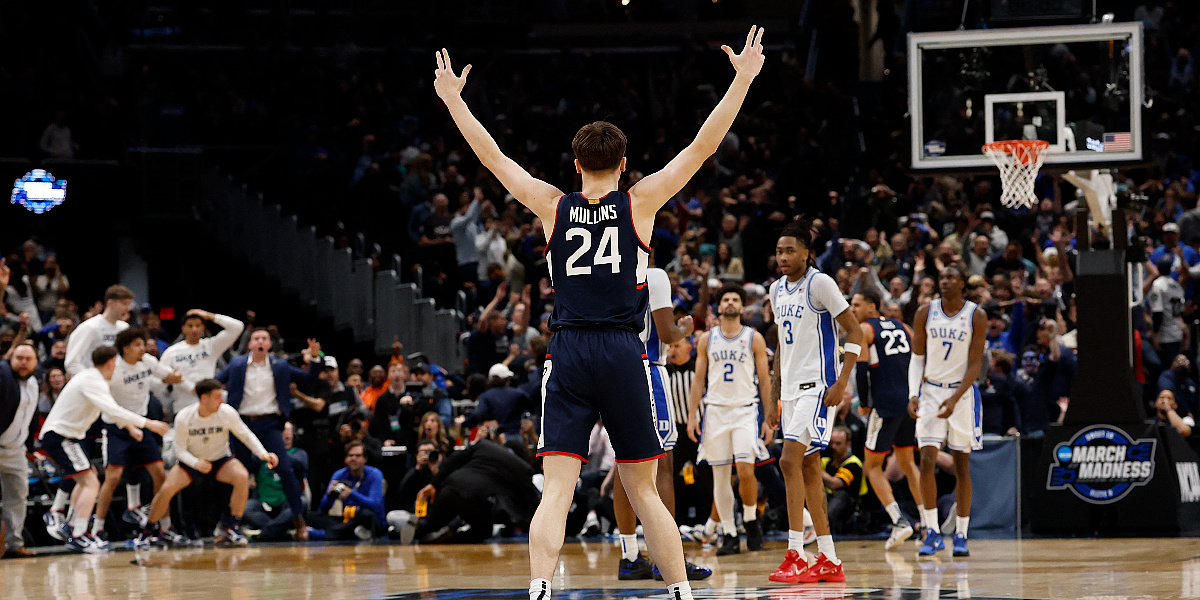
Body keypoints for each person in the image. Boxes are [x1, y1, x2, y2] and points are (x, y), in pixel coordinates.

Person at [434, 24, 764, 600]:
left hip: (567, 351)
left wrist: (453, 100)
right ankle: (681, 592)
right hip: (621, 350)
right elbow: (702, 147)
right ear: (624, 162)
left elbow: (491, 157)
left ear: (576, 163)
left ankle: (540, 587)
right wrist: (741, 80)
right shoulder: (641, 203)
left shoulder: (551, 204)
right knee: (643, 490)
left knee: (558, 489)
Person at [765, 220, 863, 584]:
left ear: (807, 253)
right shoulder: (776, 290)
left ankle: (795, 554)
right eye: (779, 251)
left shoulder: (820, 283)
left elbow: (855, 331)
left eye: (790, 251)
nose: (783, 257)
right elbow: (781, 346)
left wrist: (842, 381)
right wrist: (773, 396)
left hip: (817, 388)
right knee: (807, 469)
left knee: (788, 461)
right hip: (790, 391)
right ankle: (829, 559)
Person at [612, 267, 705, 581]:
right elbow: (666, 334)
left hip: (613, 373)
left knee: (623, 464)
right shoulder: (654, 275)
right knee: (663, 464)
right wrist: (685, 328)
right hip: (647, 369)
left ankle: (629, 556)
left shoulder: (609, 272)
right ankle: (667, 558)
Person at [39, 346, 170, 552]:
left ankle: (71, 525)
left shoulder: (91, 379)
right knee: (90, 483)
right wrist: (149, 424)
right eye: (116, 364)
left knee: (87, 477)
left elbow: (110, 411)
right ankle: (78, 534)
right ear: (110, 363)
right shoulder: (93, 380)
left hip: (66, 436)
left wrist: (130, 427)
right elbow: (113, 410)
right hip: (61, 436)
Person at [138, 379, 278, 547]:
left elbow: (245, 434)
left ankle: (231, 527)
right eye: (217, 397)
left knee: (242, 476)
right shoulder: (184, 417)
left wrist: (263, 453)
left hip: (220, 459)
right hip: (191, 461)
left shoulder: (227, 412)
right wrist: (196, 463)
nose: (222, 400)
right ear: (204, 398)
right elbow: (179, 451)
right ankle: (147, 532)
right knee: (166, 489)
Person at [686, 284, 770, 556]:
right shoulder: (706, 339)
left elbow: (765, 380)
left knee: (745, 471)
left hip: (745, 410)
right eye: (726, 299)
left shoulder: (754, 338)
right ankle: (730, 534)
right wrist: (692, 415)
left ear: (742, 307)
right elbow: (698, 380)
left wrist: (769, 417)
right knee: (720, 477)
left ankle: (750, 518)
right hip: (715, 412)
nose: (731, 303)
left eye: (735, 299)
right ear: (719, 307)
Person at [908, 265, 986, 557]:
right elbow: (917, 358)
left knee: (961, 465)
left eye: (952, 277)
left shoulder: (976, 315)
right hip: (930, 391)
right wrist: (913, 393)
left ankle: (962, 534)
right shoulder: (924, 312)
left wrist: (954, 398)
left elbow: (975, 364)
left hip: (961, 395)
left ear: (963, 283)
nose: (945, 281)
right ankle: (932, 532)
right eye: (942, 277)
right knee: (926, 460)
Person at [216, 328, 322, 540]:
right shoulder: (237, 364)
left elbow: (310, 378)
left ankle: (299, 519)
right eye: (256, 338)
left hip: (269, 423)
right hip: (241, 424)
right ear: (250, 344)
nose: (260, 342)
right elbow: (215, 381)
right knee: (237, 473)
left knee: (285, 469)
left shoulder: (280, 365)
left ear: (270, 344)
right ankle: (227, 524)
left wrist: (315, 357)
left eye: (264, 338)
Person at [91, 327, 184, 542]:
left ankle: (165, 527)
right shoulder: (114, 368)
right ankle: (96, 529)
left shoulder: (148, 361)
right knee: (113, 478)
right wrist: (129, 426)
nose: (143, 348)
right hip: (117, 427)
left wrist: (176, 377)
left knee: (160, 474)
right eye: (137, 345)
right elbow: (108, 406)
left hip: (142, 425)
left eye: (143, 344)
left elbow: (167, 377)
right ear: (125, 348)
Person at [850, 289, 926, 551]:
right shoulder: (903, 326)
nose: (852, 309)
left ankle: (899, 521)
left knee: (872, 466)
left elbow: (861, 370)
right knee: (907, 462)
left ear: (872, 306)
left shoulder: (864, 329)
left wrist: (864, 403)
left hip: (885, 404)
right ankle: (929, 523)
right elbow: (919, 361)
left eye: (857, 304)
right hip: (909, 402)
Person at [415, 435, 540, 544]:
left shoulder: (484, 445)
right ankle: (446, 542)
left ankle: (416, 532)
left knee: (430, 524)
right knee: (484, 530)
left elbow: (454, 460)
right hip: (474, 499)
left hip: (451, 488)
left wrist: (434, 484)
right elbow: (532, 506)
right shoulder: (523, 469)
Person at [159, 309, 245, 417]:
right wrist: (167, 379)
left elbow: (238, 327)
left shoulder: (211, 346)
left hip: (210, 407)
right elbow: (158, 378)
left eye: (198, 325)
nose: (194, 329)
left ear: (203, 328)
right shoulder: (171, 352)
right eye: (190, 326)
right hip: (183, 408)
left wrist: (209, 315)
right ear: (183, 328)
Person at [0, 343, 39, 557]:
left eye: (28, 359)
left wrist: (30, 447)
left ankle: (14, 544)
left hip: (16, 450)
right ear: (10, 359)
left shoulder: (33, 383)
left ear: (36, 362)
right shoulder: (3, 376)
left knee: (18, 496)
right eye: (19, 358)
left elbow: (31, 416)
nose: (23, 363)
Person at [244, 422, 309, 541]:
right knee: (246, 508)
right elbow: (248, 465)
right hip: (263, 503)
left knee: (301, 503)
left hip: (286, 504)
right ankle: (280, 531)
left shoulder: (299, 453)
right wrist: (251, 475)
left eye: (287, 437)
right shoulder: (263, 455)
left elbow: (302, 465)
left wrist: (278, 452)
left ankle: (265, 533)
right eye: (281, 434)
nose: (284, 438)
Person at [308, 441, 386, 540]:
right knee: (311, 516)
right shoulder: (339, 474)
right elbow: (323, 509)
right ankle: (352, 533)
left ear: (365, 459)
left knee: (365, 514)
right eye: (350, 455)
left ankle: (318, 534)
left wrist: (351, 494)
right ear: (346, 459)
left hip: (370, 520)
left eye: (358, 456)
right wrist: (330, 495)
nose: (353, 459)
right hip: (347, 518)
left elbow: (376, 505)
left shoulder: (374, 474)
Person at [64, 285, 134, 376]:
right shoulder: (90, 327)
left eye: (129, 304)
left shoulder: (124, 328)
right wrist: (94, 380)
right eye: (124, 304)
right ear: (110, 303)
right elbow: (71, 363)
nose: (128, 308)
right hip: (94, 381)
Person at [461, 363, 534, 442]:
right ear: (508, 378)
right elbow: (533, 408)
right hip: (517, 436)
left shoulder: (486, 396)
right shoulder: (518, 393)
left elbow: (477, 414)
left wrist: (464, 425)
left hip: (497, 437)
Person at [820, 426, 866, 532]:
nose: (833, 447)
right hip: (827, 501)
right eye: (832, 443)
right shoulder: (826, 461)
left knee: (842, 495)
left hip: (848, 510)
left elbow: (834, 484)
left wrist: (814, 468)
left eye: (838, 443)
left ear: (848, 444)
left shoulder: (853, 464)